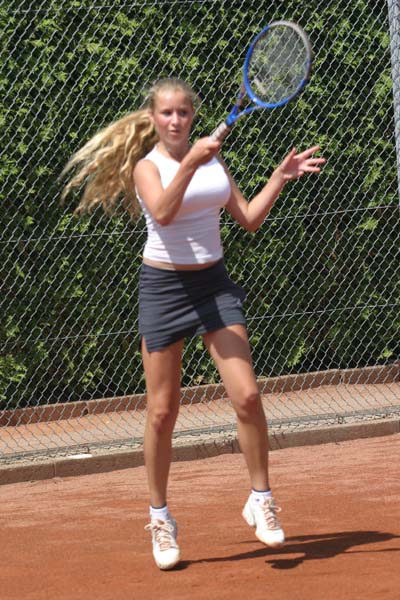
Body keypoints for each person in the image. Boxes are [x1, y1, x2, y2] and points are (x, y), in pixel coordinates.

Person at [61, 78, 325, 571]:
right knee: (162, 412)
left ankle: (261, 499)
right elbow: (163, 213)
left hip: (214, 286)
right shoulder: (147, 167)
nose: (176, 120)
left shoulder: (214, 161)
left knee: (248, 396)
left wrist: (278, 178)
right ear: (153, 118)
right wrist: (190, 163)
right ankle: (160, 517)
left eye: (183, 112)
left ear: (192, 116)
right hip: (163, 290)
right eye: (167, 113)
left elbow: (248, 218)